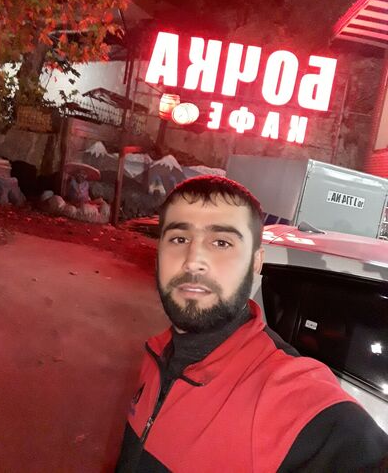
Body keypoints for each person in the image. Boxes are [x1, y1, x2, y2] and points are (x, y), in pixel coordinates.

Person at [116, 176, 388, 472]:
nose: (193, 261)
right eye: (179, 239)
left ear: (257, 262)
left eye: (221, 242)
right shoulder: (156, 354)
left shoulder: (283, 392)